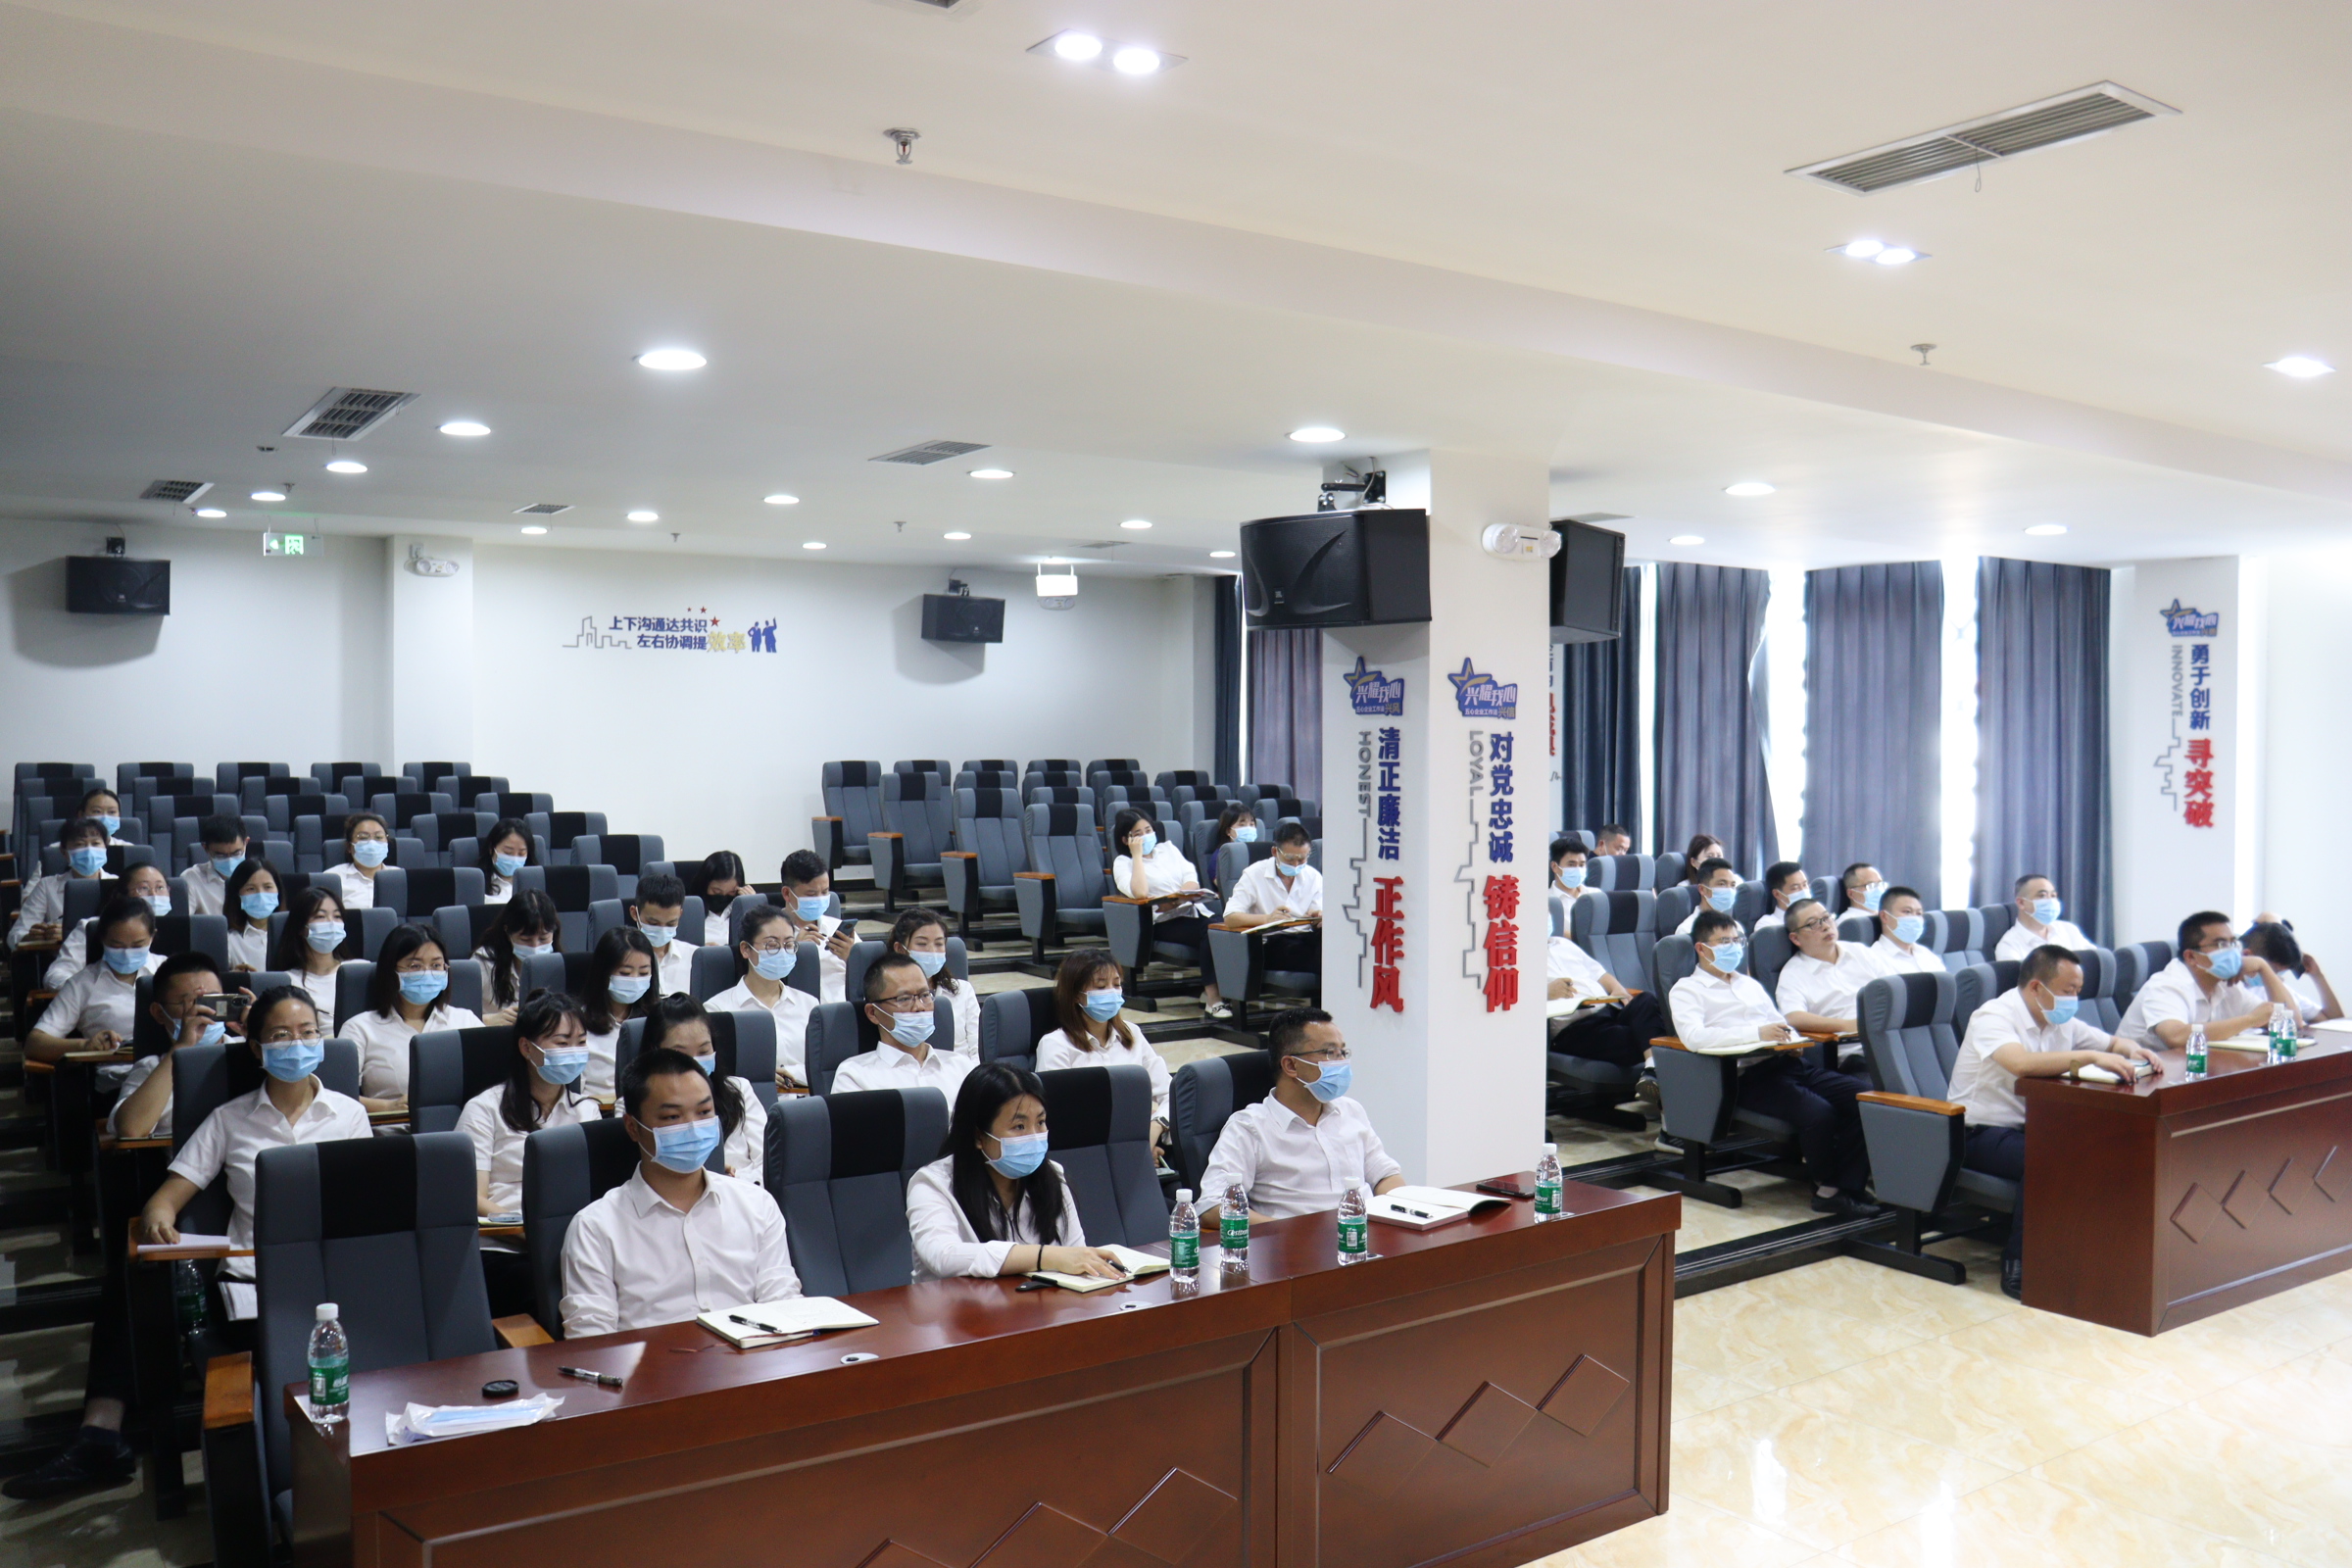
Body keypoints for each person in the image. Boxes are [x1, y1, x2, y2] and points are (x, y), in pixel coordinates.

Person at [6, 986, 368, 1501]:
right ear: (257, 1048)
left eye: (307, 1033)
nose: (297, 1044)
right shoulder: (230, 1118)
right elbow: (166, 1199)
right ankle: (296, 1491)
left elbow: (368, 1208)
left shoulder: (349, 1115)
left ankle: (347, 1480)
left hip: (335, 1283)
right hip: (254, 1286)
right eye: (281, 1036)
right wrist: (159, 1218)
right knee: (288, 1379)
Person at [1946, 945, 2163, 1298]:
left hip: (2033, 1129)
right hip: (1977, 1133)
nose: (2074, 999)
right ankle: (2020, 1264)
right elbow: (2020, 1064)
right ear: (2036, 987)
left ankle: (2092, 1252)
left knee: (2107, 1148)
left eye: (2078, 990)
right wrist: (2089, 1057)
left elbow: (2112, 1042)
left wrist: (2134, 1050)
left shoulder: (2059, 1020)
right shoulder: (1994, 1016)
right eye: (2068, 990)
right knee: (2051, 1158)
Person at [559, 1046, 799, 1338]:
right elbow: (591, 1341)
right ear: (633, 1127)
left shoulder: (757, 1204)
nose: (694, 1127)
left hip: (753, 1358)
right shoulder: (596, 1228)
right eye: (673, 1117)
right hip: (651, 1365)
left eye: (704, 1112)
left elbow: (784, 1304)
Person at [1667, 910, 1878, 1218]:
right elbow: (1695, 1038)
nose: (1733, 947)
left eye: (1736, 941)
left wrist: (1791, 1040)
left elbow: (1779, 1022)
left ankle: (1849, 1185)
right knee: (1819, 1114)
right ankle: (1828, 1191)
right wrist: (1757, 1034)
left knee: (1863, 1099)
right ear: (1701, 948)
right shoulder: (1686, 990)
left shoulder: (1748, 984)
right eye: (1724, 942)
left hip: (1787, 1064)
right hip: (1744, 1077)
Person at [906, 1062, 1129, 1282]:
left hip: (1039, 1303)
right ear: (978, 1136)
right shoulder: (932, 1184)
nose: (1034, 1136)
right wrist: (1045, 1256)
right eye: (1019, 1126)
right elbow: (944, 1256)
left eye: (1040, 1122)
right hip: (956, 1305)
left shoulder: (1053, 1176)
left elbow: (1075, 1255)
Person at [457, 989, 600, 1315]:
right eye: (562, 1043)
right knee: (540, 1292)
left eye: (580, 1042)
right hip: (505, 1246)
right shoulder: (484, 1109)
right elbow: (471, 1196)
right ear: (526, 1047)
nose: (574, 1052)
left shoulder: (587, 1110)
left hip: (574, 1243)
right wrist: (531, 1231)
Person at [1200, 1007, 1402, 1222]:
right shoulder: (1250, 1127)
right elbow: (1213, 1205)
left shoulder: (1350, 1110)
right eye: (1329, 1052)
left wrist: (1405, 1209)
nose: (1341, 1062)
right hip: (1293, 1239)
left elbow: (1385, 1175)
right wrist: (1290, 1233)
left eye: (1342, 1052)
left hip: (1362, 1234)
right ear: (1291, 1065)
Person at [342, 923, 481, 1108]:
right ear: (391, 970)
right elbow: (339, 1097)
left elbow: (494, 1085)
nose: (427, 973)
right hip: (392, 1124)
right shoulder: (359, 1028)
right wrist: (387, 1107)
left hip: (460, 1122)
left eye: (436, 965)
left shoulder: (466, 1021)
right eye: (415, 966)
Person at [109, 952, 244, 1141]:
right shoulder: (152, 1068)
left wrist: (260, 1038)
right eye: (187, 1003)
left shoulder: (249, 1050)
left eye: (211, 1000)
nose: (202, 1011)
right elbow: (130, 1130)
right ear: (159, 1013)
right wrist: (182, 1047)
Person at [1034, 949, 1171, 1136]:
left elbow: (1170, 1093)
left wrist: (1156, 1127)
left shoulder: (1132, 1034)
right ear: (1075, 994)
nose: (1111, 993)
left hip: (1141, 1137)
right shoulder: (1055, 1045)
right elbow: (1057, 1114)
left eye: (1116, 985)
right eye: (1100, 987)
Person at [2117, 910, 2296, 1049]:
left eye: (2233, 943)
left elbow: (2290, 1021)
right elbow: (2176, 1036)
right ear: (2191, 957)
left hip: (2192, 1071)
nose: (2231, 951)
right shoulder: (2167, 985)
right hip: (2140, 1079)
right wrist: (2250, 1019)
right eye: (2221, 944)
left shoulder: (2227, 984)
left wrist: (2264, 968)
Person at [640, 994, 768, 1185]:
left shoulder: (739, 1089)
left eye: (703, 1051)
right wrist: (707, 1176)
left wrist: (735, 1182)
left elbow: (769, 1162)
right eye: (680, 1054)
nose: (695, 1063)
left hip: (744, 1192)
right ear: (655, 1052)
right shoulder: (639, 1103)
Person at [1111, 807, 1225, 1018]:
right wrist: (1137, 856)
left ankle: (1215, 990)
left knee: (1222, 927)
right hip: (1162, 922)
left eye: (1148, 830)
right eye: (1138, 834)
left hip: (1192, 911)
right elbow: (1140, 892)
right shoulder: (1123, 863)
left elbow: (1190, 877)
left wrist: (1180, 897)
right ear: (1126, 840)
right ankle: (1214, 999)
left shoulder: (1168, 849)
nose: (1146, 836)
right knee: (1210, 929)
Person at [27, 896, 165, 1063]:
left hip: (170, 1068)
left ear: (152, 936)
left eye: (137, 946)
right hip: (119, 1073)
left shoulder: (170, 971)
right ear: (102, 939)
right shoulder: (82, 984)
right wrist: (85, 1045)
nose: (127, 953)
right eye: (117, 945)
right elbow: (35, 1043)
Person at [832, 954, 975, 1101]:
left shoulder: (961, 1067)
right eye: (904, 999)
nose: (919, 1006)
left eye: (925, 995)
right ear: (873, 1013)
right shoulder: (855, 1076)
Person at [709, 904, 818, 1089]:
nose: (782, 952)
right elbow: (716, 1073)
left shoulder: (809, 1004)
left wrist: (792, 1074)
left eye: (789, 944)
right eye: (772, 945)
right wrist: (760, 1075)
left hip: (805, 1097)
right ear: (746, 949)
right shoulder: (718, 1009)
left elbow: (822, 1065)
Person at [1546, 911, 1668, 1067]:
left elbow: (1599, 973)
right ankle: (1655, 1069)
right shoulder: (1519, 957)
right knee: (1641, 1035)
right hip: (1574, 1029)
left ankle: (1651, 1068)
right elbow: (1516, 1002)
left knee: (1647, 1000)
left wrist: (1617, 988)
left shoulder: (1563, 944)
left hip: (1608, 1011)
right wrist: (1546, 992)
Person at [43, 861, 170, 989]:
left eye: (160, 887)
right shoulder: (92, 926)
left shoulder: (182, 929)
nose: (154, 895)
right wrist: (85, 992)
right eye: (144, 888)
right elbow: (56, 976)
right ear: (122, 896)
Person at [1774, 899, 1888, 1037]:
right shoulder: (1793, 973)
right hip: (1850, 1043)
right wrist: (1846, 1026)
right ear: (1795, 938)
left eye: (1826, 918)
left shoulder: (1859, 951)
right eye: (1813, 924)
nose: (1825, 926)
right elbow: (1793, 1016)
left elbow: (1890, 987)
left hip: (1887, 1031)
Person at [580, 927, 662, 1101]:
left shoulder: (658, 1019)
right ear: (603, 972)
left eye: (644, 973)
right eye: (625, 973)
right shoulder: (577, 1023)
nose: (635, 980)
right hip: (599, 1109)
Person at [10, 816, 115, 950]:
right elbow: (15, 935)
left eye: (95, 843)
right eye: (80, 844)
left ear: (106, 847)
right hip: (59, 958)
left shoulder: (118, 884)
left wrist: (70, 934)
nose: (89, 850)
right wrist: (35, 936)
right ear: (64, 852)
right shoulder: (47, 886)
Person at [890, 907, 978, 1057]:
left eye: (939, 944)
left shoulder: (963, 990)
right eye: (922, 944)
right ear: (900, 949)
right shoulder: (887, 996)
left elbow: (977, 1048)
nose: (932, 951)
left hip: (962, 1069)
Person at [778, 849, 856, 1003]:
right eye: (811, 894)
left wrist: (852, 958)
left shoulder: (837, 928)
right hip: (799, 1009)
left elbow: (872, 979)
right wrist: (794, 953)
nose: (820, 899)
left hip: (845, 1007)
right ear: (787, 894)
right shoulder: (771, 934)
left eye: (825, 892)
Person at [473, 890, 563, 1023]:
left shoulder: (560, 965)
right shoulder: (483, 964)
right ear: (508, 933)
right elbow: (454, 1017)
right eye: (526, 939)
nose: (535, 947)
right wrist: (487, 1020)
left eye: (543, 939)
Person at [271, 884, 355, 1020]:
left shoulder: (359, 970)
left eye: (337, 916)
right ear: (301, 927)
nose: (331, 923)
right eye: (320, 916)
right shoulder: (287, 981)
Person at [2243, 919, 2341, 1024]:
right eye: (2274, 970)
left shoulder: (2282, 989)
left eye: (2281, 972)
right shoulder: (2236, 991)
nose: (2276, 976)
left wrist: (2318, 976)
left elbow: (2335, 1021)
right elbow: (2291, 1023)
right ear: (2248, 956)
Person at [1993, 874, 2090, 961]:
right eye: (2043, 896)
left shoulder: (2069, 930)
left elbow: (2094, 960)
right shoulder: (2009, 946)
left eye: (2053, 896)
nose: (2051, 901)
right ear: (2021, 903)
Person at [630, 872, 699, 996]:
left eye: (670, 924)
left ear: (680, 915)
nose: (662, 930)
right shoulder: (621, 960)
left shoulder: (695, 958)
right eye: (653, 923)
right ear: (635, 914)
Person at [180, 814, 252, 918]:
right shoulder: (191, 878)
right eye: (220, 855)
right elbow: (182, 922)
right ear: (206, 848)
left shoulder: (259, 876)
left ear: (246, 843)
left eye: (236, 853)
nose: (229, 860)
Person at [220, 858, 281, 972]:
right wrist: (233, 977)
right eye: (251, 889)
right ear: (238, 896)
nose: (261, 895)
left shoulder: (294, 935)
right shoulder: (229, 941)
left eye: (268, 887)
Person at [325, 810, 393, 911]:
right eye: (363, 838)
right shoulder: (333, 878)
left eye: (379, 837)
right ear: (349, 846)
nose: (372, 843)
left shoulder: (400, 877)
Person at [1871, 887, 1945, 975]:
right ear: (1885, 917)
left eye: (1919, 913)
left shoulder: (1927, 954)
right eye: (1907, 912)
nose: (1915, 918)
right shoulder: (1873, 959)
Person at [1674, 858, 1742, 936]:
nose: (1729, 890)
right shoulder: (1687, 930)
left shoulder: (1736, 927)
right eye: (1722, 884)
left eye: (1732, 885)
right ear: (1702, 889)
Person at [476, 817, 536, 906]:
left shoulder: (535, 883)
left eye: (521, 854)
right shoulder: (478, 883)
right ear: (491, 849)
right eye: (508, 852)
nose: (515, 859)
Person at [1756, 860, 1810, 930]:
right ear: (1777, 894)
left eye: (1805, 885)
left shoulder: (1818, 915)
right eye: (1795, 888)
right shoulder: (1767, 924)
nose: (1803, 891)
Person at [693, 850, 749, 915]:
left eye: (731, 892)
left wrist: (751, 905)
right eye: (716, 891)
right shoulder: (691, 909)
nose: (723, 896)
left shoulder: (742, 907)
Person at [1551, 836, 1599, 902]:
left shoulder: (1595, 895)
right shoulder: (1547, 900)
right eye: (1571, 865)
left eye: (1581, 865)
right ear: (1554, 866)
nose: (1578, 870)